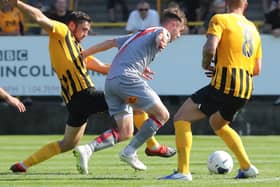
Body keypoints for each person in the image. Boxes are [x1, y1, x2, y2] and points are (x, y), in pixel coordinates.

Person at [5, 0, 174, 173]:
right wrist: (17, 3)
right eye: (84, 29)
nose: (86, 33)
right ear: (72, 25)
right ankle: (152, 146)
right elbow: (39, 17)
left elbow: (102, 68)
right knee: (133, 112)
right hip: (84, 94)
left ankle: (23, 165)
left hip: (75, 104)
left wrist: (134, 68)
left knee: (67, 143)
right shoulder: (63, 32)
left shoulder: (78, 50)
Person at [161, 0, 262, 180]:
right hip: (245, 88)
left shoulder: (220, 19)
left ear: (226, 3)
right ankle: (247, 167)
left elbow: (210, 48)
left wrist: (206, 64)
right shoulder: (253, 29)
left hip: (224, 84)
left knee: (181, 117)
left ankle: (183, 172)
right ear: (245, 5)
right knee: (218, 123)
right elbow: (256, 69)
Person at [78, 7, 187, 171]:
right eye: (180, 30)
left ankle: (87, 149)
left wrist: (84, 54)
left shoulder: (139, 33)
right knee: (162, 114)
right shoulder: (162, 31)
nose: (179, 35)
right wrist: (161, 41)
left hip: (111, 83)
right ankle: (130, 151)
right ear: (173, 24)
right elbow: (161, 35)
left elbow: (110, 43)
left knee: (125, 131)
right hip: (127, 79)